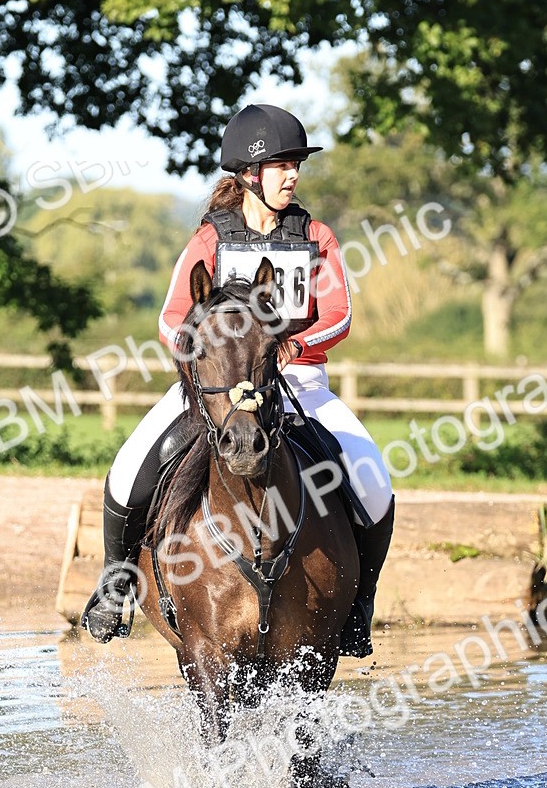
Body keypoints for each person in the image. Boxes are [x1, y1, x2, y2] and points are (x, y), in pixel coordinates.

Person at [82, 103, 395, 656]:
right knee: (131, 467)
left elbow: (339, 313)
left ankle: (358, 606)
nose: (293, 174)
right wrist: (207, 369)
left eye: (296, 164)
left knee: (372, 480)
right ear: (249, 174)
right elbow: (170, 319)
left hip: (298, 380)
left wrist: (295, 346)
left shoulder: (316, 236)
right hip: (217, 389)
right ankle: (116, 583)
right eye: (281, 165)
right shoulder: (210, 239)